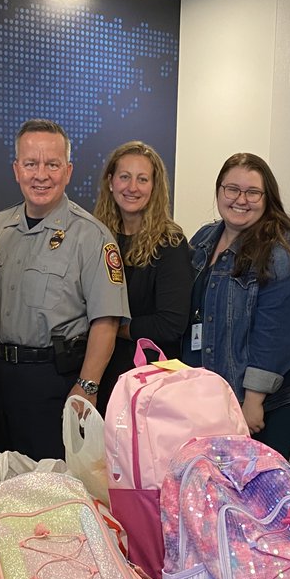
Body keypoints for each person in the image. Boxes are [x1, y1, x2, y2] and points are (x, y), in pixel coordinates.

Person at [0, 119, 129, 462]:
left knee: (47, 495)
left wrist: (87, 387)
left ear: (68, 171)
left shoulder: (92, 237)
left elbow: (106, 320)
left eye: (52, 164)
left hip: (53, 382)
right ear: (17, 170)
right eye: (31, 164)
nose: (41, 175)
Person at [182, 153, 290, 455]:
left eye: (253, 192)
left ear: (268, 198)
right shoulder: (204, 238)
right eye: (232, 189)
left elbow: (276, 333)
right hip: (207, 396)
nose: (241, 199)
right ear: (219, 191)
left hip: (256, 405)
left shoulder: (282, 251)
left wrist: (253, 400)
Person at [92, 141, 191, 400]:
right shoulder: (95, 237)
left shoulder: (171, 244)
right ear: (111, 182)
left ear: (154, 187)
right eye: (125, 177)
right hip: (98, 374)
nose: (132, 187)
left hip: (149, 382)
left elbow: (170, 324)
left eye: (142, 179)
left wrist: (113, 327)